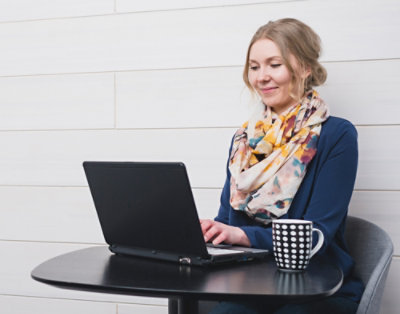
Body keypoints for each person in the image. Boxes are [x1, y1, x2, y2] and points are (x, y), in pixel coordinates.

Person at [200, 18, 364, 314]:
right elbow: (227, 219)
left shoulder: (337, 136)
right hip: (250, 283)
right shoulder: (243, 140)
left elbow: (318, 234)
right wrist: (212, 233)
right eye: (254, 66)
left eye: (274, 65)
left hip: (315, 287)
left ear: (304, 68)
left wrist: (244, 236)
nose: (262, 77)